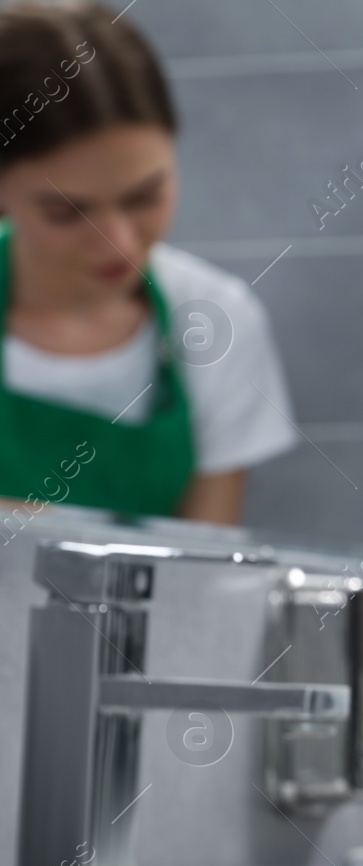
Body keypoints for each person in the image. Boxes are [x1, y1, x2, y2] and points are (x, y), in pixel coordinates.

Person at [0, 1, 295, 523]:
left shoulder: (214, 320)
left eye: (144, 197)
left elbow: (203, 567)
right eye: (67, 213)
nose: (117, 242)